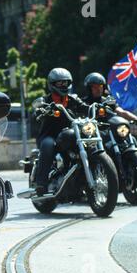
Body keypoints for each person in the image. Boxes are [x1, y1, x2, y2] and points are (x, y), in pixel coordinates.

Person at [34, 68, 89, 196]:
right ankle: (41, 183)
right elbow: (36, 110)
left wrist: (97, 108)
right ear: (52, 84)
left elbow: (84, 107)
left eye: (65, 82)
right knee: (48, 146)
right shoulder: (46, 100)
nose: (63, 85)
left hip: (71, 134)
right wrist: (40, 111)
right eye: (60, 83)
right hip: (50, 135)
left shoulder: (73, 99)